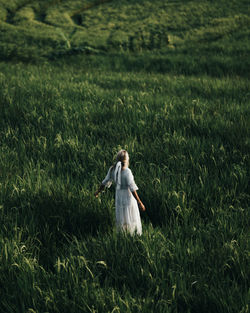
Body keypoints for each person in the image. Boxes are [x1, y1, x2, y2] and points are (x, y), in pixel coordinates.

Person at [94, 149, 145, 235]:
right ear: (127, 160)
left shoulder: (112, 170)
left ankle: (123, 234)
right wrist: (139, 202)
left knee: (122, 216)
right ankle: (132, 235)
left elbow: (105, 182)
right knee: (130, 216)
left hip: (119, 197)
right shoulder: (127, 172)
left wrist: (98, 192)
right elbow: (132, 188)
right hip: (128, 197)